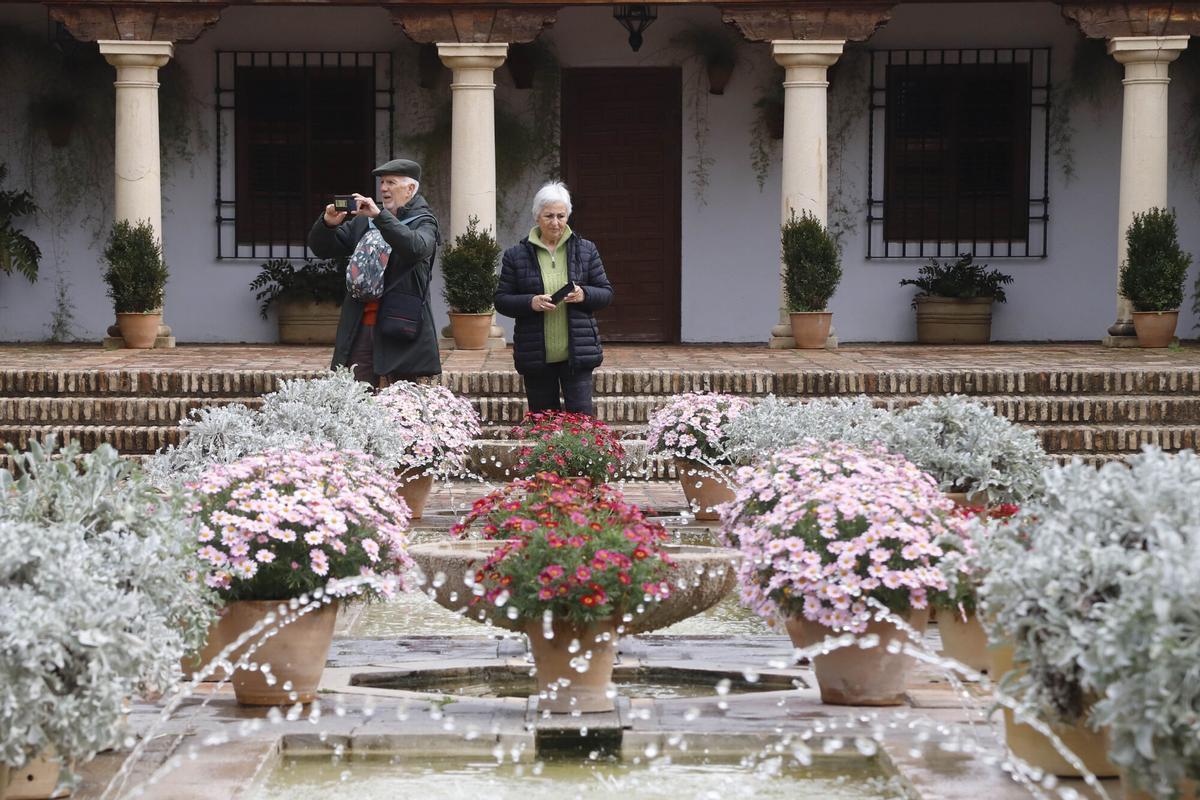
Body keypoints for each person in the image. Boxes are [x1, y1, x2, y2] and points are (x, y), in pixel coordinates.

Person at [308, 158, 441, 387]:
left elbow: (416, 247)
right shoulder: (364, 223)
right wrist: (328, 223)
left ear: (410, 188)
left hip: (400, 325)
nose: (383, 188)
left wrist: (380, 217)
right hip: (362, 323)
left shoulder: (424, 222)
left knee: (402, 402)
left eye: (391, 182)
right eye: (382, 183)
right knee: (356, 398)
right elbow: (322, 248)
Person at [495, 181, 613, 416]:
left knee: (581, 424)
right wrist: (531, 302)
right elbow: (501, 299)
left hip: (578, 354)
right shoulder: (515, 255)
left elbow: (606, 293)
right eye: (549, 216)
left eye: (561, 215)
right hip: (536, 355)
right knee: (543, 426)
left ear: (568, 215)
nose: (556, 222)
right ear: (537, 216)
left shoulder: (586, 250)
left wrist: (584, 294)